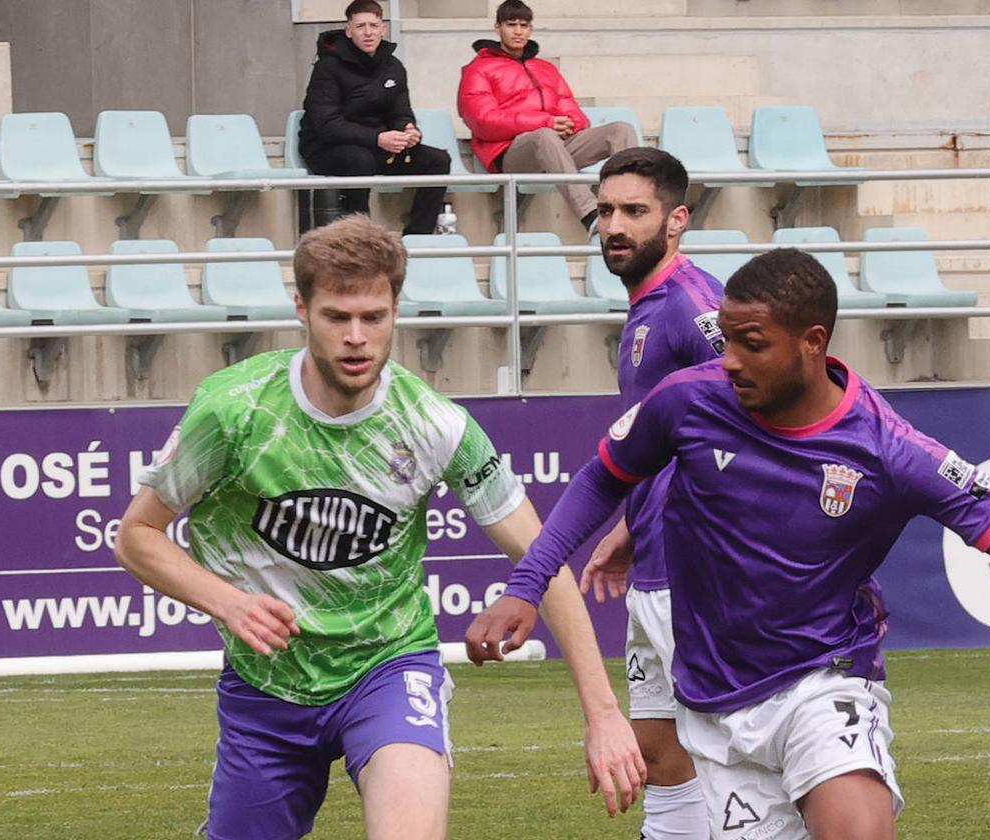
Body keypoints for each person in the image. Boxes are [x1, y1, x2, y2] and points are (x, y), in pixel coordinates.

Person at [466, 248, 990, 839]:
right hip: (715, 710)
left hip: (825, 683)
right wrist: (528, 586)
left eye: (750, 343)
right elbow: (603, 477)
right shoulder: (689, 402)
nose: (728, 360)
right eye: (724, 340)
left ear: (812, 343)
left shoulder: (889, 451)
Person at [114, 215, 645, 840]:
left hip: (389, 668)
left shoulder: (435, 425)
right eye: (337, 317)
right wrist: (228, 602)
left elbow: (542, 559)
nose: (357, 338)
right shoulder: (234, 410)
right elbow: (136, 536)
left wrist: (604, 713)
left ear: (397, 308)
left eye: (375, 316)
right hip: (266, 688)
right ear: (301, 309)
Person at [589, 146, 722, 840]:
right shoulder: (645, 308)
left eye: (634, 211)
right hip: (655, 565)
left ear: (676, 221)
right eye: (606, 211)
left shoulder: (693, 307)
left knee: (731, 763)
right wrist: (633, 524)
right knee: (660, 755)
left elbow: (753, 409)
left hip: (698, 579)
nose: (615, 225)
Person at [457, 0, 638, 234]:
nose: (518, 31)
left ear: (531, 29)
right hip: (511, 153)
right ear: (497, 27)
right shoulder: (478, 69)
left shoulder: (545, 68)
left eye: (524, 25)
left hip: (555, 147)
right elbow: (482, 121)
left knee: (620, 130)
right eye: (511, 24)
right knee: (544, 136)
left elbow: (575, 113)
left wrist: (569, 125)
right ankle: (591, 214)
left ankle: (632, 206)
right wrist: (547, 122)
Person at [299, 0, 450, 233]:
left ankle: (417, 236)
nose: (368, 32)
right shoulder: (327, 67)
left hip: (377, 146)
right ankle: (359, 235)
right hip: (326, 147)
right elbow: (327, 125)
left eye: (373, 25)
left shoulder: (394, 66)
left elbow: (400, 112)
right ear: (349, 31)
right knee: (360, 160)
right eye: (360, 26)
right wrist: (378, 138)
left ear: (383, 29)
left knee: (438, 160)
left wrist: (408, 129)